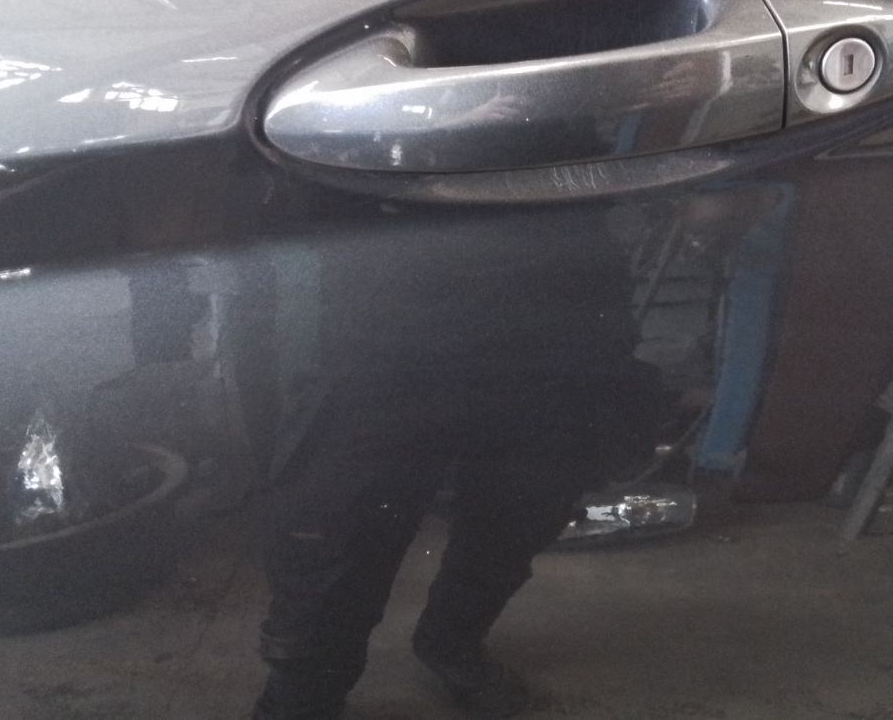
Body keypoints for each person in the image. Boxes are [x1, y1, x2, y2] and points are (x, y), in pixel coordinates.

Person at [252, 205, 661, 719]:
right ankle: (305, 693)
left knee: (523, 508)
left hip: (562, 291)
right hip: (392, 280)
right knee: (340, 519)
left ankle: (451, 641)